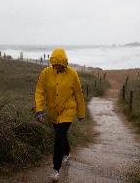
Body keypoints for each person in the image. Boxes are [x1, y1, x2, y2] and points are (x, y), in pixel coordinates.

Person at [34, 48, 85, 181]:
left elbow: (78, 94)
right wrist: (39, 110)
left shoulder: (72, 74)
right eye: (54, 64)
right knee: (61, 135)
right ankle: (67, 153)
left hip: (68, 110)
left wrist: (81, 113)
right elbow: (39, 91)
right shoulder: (46, 73)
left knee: (58, 138)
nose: (57, 66)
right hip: (53, 112)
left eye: (60, 64)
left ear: (64, 63)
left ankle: (56, 170)